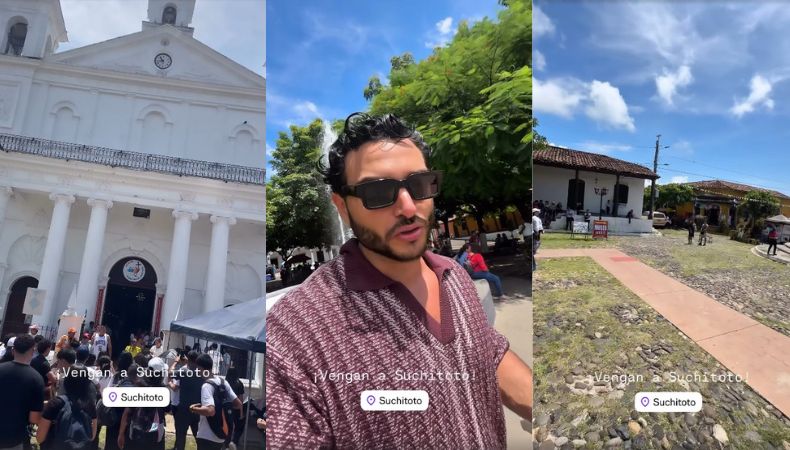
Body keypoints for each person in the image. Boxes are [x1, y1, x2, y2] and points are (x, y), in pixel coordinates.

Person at [267, 113, 532, 448]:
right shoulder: (295, 333)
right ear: (342, 208)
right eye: (378, 192)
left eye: (420, 185)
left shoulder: (454, 276)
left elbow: (485, 352)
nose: (409, 207)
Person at [36, 364, 97, 449]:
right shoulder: (90, 405)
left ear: (67, 380)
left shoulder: (55, 403)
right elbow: (92, 435)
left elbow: (40, 438)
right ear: (87, 382)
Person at [189, 354, 242, 450]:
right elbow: (238, 404)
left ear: (201, 368)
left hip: (206, 436)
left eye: (197, 369)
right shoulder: (223, 382)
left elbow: (210, 411)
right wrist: (222, 407)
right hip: (221, 436)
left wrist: (193, 408)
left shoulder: (207, 386)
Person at [0, 335, 44, 450]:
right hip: (14, 438)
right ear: (32, 351)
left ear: (13, 350)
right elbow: (34, 418)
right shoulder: (37, 379)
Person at [171, 351, 203, 450]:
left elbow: (170, 372)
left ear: (188, 359)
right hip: (197, 409)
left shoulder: (184, 372)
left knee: (180, 437)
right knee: (199, 437)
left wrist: (176, 362)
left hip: (184, 410)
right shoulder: (202, 373)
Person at [224, 367, 248, 448]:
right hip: (236, 408)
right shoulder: (239, 383)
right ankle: (234, 442)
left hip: (226, 408)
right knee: (239, 426)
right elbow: (240, 400)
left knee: (227, 426)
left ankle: (226, 443)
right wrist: (241, 414)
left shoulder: (224, 382)